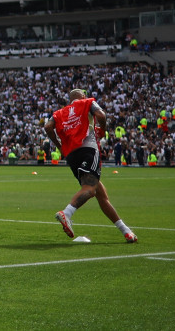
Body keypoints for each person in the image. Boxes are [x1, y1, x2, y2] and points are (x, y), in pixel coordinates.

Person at [45, 89, 138, 243]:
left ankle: (125, 231)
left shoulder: (60, 112)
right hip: (88, 150)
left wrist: (59, 146)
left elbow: (48, 127)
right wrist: (103, 129)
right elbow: (101, 115)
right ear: (82, 96)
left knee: (101, 194)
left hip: (72, 155)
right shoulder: (87, 102)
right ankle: (66, 213)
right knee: (89, 189)